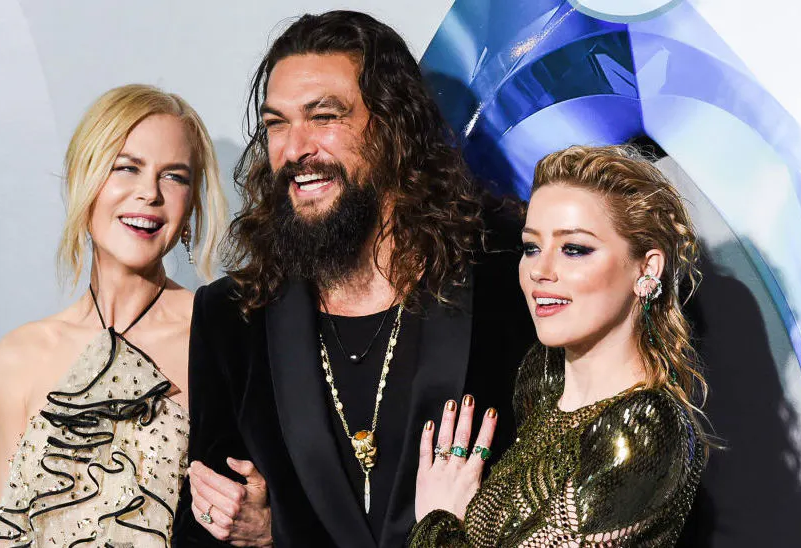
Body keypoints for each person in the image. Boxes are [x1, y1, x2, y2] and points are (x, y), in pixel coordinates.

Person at [173, 10, 536, 548]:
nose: (294, 149)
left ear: (392, 127)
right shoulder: (233, 318)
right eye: (276, 124)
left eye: (324, 117)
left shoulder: (509, 278)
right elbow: (202, 535)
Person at [409, 145, 709, 547]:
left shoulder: (644, 427)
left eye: (575, 249)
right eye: (531, 247)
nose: (540, 270)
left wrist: (435, 521)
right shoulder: (541, 379)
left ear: (647, 268)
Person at [0, 84, 227, 547]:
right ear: (85, 179)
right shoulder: (18, 356)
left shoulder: (221, 335)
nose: (149, 194)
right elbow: (14, 532)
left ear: (191, 207)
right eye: (127, 168)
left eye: (174, 176)